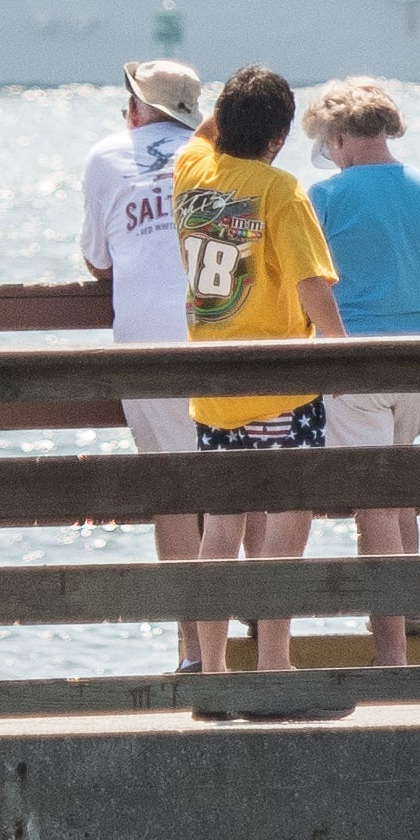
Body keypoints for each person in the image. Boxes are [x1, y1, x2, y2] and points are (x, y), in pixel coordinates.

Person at [169, 63, 345, 673]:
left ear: (222, 119)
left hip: (214, 389)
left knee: (220, 531)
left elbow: (203, 135)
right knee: (285, 531)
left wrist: (230, 110)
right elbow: (310, 283)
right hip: (281, 391)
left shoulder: (191, 171)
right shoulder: (279, 191)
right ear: (280, 137)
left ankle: (215, 671)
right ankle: (273, 666)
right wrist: (342, 351)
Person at [302, 78, 420, 586]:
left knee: (373, 499)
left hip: (357, 363)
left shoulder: (324, 197)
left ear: (338, 138)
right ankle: (411, 605)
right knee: (400, 488)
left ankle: (390, 625)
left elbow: (304, 284)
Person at [80, 56, 216, 670]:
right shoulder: (220, 156)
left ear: (134, 109)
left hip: (146, 345)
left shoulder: (106, 156)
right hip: (223, 335)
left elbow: (99, 262)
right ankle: (241, 635)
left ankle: (194, 649)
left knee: (172, 493)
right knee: (235, 490)